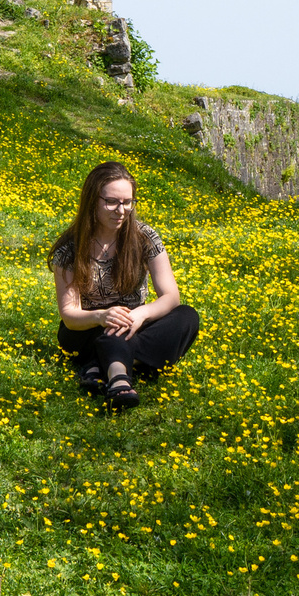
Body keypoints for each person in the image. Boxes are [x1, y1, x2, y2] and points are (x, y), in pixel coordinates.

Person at [50, 160, 200, 409]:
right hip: (90, 327)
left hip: (135, 325)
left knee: (187, 317)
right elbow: (69, 316)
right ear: (92, 201)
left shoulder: (145, 237)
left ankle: (100, 366)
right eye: (111, 202)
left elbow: (171, 296)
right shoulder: (70, 249)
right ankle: (120, 380)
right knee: (102, 333)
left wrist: (140, 315)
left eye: (127, 202)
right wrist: (101, 316)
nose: (121, 210)